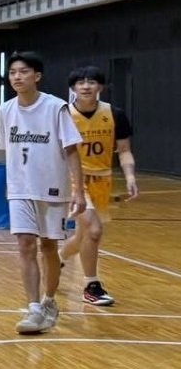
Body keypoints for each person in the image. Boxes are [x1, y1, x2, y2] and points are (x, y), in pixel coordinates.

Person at [0, 52, 84, 336]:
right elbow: (7, 150)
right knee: (24, 244)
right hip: (20, 188)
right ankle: (33, 308)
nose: (17, 77)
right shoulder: (6, 109)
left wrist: (78, 191)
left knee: (48, 247)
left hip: (52, 188)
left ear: (37, 76)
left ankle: (49, 301)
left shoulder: (56, 108)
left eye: (23, 71)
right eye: (12, 72)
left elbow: (71, 150)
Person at [60, 66, 138, 307]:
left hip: (102, 179)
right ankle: (91, 286)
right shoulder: (63, 115)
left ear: (100, 87)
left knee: (83, 236)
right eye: (80, 82)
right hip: (72, 179)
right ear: (73, 88)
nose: (86, 86)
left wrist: (130, 177)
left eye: (91, 82)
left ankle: (57, 258)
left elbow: (124, 151)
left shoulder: (115, 114)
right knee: (94, 231)